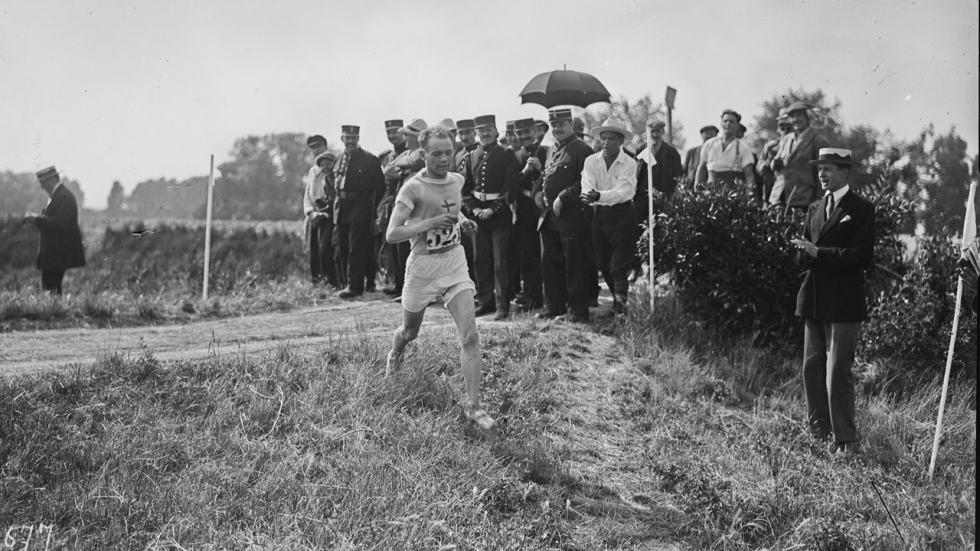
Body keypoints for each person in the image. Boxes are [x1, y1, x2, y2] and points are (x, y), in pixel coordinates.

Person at [385, 125, 494, 430]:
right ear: (423, 154)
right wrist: (429, 222)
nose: (445, 159)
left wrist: (463, 222)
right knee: (409, 333)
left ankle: (474, 408)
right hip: (422, 267)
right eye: (437, 154)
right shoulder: (412, 188)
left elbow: (453, 210)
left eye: (448, 152)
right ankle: (395, 355)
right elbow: (393, 233)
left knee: (470, 335)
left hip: (454, 261)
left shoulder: (457, 180)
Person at [790, 148, 874, 456]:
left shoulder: (862, 208)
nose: (821, 174)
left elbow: (862, 256)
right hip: (814, 296)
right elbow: (807, 249)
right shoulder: (814, 208)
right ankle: (819, 434)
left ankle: (845, 440)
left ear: (844, 172)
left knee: (838, 369)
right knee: (812, 367)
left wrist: (818, 253)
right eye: (819, 169)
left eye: (828, 169)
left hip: (845, 299)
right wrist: (802, 252)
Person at [533, 108, 595, 323]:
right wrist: (538, 192)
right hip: (550, 217)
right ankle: (554, 306)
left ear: (570, 124)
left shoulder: (582, 150)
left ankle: (578, 312)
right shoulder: (552, 150)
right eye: (554, 125)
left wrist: (564, 197)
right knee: (550, 264)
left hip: (572, 217)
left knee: (575, 265)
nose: (556, 129)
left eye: (561, 124)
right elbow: (545, 175)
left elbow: (588, 181)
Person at [462, 114, 520, 320]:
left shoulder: (507, 153)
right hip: (479, 217)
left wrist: (493, 209)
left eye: (488, 129)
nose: (485, 134)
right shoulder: (471, 156)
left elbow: (511, 187)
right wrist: (475, 210)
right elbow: (465, 188)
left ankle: (502, 305)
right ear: (476, 133)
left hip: (500, 215)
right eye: (481, 130)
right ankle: (485, 302)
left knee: (500, 262)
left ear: (496, 131)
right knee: (481, 260)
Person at [581, 118, 638, 315]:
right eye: (603, 138)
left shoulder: (629, 163)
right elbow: (587, 183)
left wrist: (598, 195)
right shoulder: (591, 161)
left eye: (611, 139)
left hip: (622, 214)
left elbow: (623, 191)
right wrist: (589, 194)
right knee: (603, 263)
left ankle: (621, 308)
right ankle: (616, 300)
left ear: (620, 141)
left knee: (618, 265)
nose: (606, 143)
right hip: (599, 215)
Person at [333, 125, 385, 299]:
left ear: (358, 139)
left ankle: (355, 286)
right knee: (343, 246)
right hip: (342, 205)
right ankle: (349, 281)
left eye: (353, 138)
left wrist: (373, 209)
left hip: (361, 205)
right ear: (342, 139)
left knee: (357, 246)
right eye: (347, 138)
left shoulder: (369, 159)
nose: (350, 142)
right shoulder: (339, 158)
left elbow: (380, 186)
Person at [21, 166, 86, 294]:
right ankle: (54, 311)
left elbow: (59, 223)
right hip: (54, 253)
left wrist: (36, 219)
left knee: (51, 287)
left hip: (58, 252)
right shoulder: (58, 195)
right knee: (50, 286)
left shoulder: (63, 196)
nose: (42, 187)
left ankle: (55, 312)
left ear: (50, 180)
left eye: (42, 183)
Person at [383, 118, 428, 301]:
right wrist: (404, 170)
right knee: (405, 249)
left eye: (408, 135)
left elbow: (415, 160)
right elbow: (388, 169)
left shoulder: (422, 153)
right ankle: (408, 289)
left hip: (418, 205)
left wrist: (400, 166)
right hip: (406, 203)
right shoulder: (408, 153)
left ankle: (419, 291)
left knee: (417, 248)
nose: (405, 138)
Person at [512, 117, 549, 312]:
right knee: (528, 255)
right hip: (525, 209)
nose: (524, 136)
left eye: (527, 132)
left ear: (535, 132)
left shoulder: (546, 151)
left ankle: (552, 298)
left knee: (548, 255)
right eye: (520, 134)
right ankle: (533, 298)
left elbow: (554, 177)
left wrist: (541, 169)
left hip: (545, 208)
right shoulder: (516, 156)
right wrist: (525, 171)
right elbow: (510, 186)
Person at [768, 101, 831, 210]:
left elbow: (824, 173)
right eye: (792, 116)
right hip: (779, 198)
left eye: (799, 116)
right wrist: (775, 163)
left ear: (808, 117)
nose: (795, 120)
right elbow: (775, 165)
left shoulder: (818, 141)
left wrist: (819, 200)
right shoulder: (787, 139)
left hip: (804, 199)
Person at [378, 119, 409, 295]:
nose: (391, 136)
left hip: (406, 203)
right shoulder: (391, 155)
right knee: (394, 246)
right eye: (388, 133)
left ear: (402, 133)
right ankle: (398, 284)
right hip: (392, 203)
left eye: (394, 133)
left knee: (404, 246)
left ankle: (406, 286)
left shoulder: (408, 151)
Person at [302, 135, 337, 286]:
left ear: (325, 147)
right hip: (314, 215)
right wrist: (311, 212)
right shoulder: (312, 171)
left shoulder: (333, 167)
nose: (316, 150)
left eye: (319, 147)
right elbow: (308, 194)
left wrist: (324, 210)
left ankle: (331, 282)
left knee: (327, 249)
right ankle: (317, 283)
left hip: (329, 214)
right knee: (314, 250)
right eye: (313, 148)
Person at [696, 109, 756, 191]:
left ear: (737, 125)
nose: (727, 124)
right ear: (721, 123)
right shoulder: (709, 144)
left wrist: (749, 193)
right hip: (710, 193)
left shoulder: (743, 148)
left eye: (731, 122)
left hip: (733, 194)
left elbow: (749, 175)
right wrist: (697, 189)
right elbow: (702, 168)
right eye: (725, 121)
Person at [454, 118, 480, 281]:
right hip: (460, 206)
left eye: (468, 133)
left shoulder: (479, 151)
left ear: (474, 133)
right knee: (464, 250)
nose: (464, 137)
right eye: (461, 133)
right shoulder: (458, 154)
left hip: (475, 205)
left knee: (477, 250)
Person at [758, 108, 793, 207]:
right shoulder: (771, 146)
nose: (785, 131)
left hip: (792, 193)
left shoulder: (799, 146)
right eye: (782, 127)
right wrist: (768, 163)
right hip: (771, 192)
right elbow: (759, 166)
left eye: (788, 128)